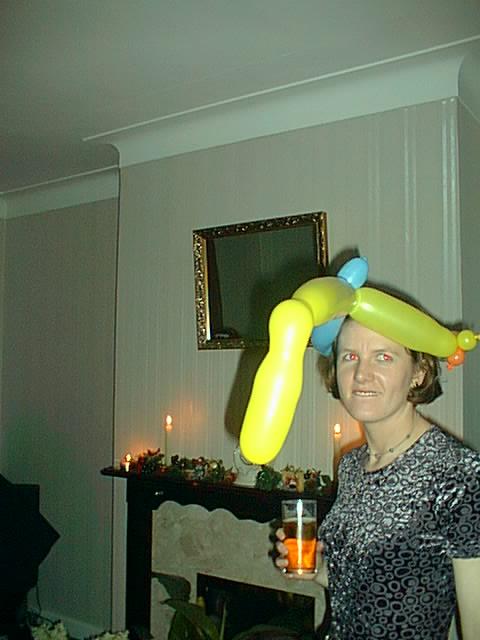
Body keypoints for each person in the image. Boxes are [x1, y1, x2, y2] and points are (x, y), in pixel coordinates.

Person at [275, 318, 480, 640]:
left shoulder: (459, 472)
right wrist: (317, 569)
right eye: (350, 356)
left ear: (419, 372)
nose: (361, 374)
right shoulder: (351, 464)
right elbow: (362, 585)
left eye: (383, 356)